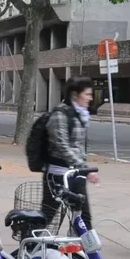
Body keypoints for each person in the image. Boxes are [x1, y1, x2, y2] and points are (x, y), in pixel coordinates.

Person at [41, 76, 98, 230]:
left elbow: (79, 146)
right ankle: (30, 241)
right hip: (58, 175)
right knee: (48, 215)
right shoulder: (59, 115)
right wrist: (84, 168)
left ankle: (84, 245)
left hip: (76, 173)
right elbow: (62, 147)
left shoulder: (80, 115)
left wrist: (83, 167)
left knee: (84, 217)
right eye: (87, 94)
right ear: (74, 95)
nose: (90, 98)